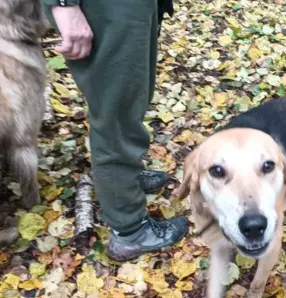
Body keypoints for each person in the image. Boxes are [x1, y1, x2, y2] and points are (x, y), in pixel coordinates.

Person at [41, 0, 188, 261]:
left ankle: (124, 182)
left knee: (130, 101)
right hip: (105, 7)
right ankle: (130, 231)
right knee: (115, 117)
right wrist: (64, 5)